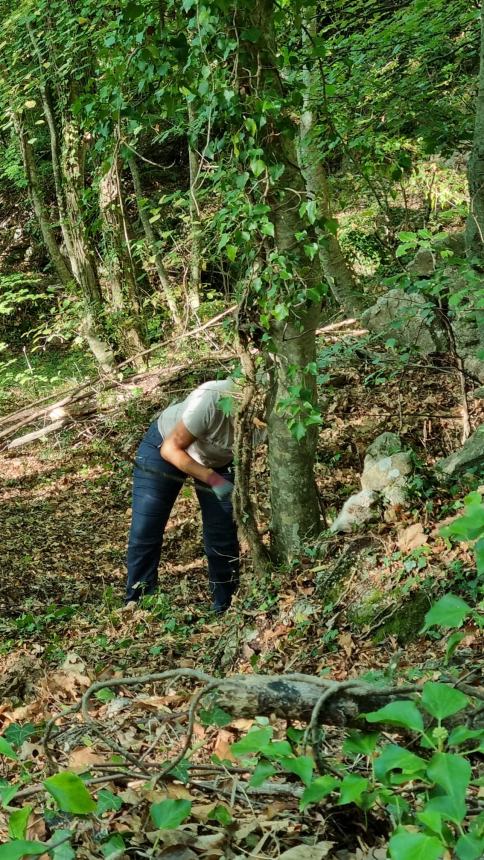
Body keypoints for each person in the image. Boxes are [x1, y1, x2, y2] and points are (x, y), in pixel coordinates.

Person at [125, 378, 239, 613]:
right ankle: (138, 602)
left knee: (222, 535)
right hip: (164, 446)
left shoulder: (274, 417)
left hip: (217, 462)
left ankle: (226, 606)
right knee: (146, 528)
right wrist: (212, 479)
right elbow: (170, 449)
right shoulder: (212, 398)